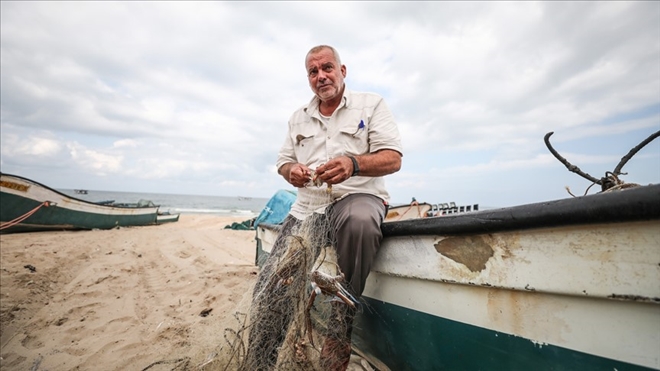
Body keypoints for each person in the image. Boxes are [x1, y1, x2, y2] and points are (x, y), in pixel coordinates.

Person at [246, 45, 402, 371]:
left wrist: (353, 164)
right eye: (313, 72)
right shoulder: (297, 118)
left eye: (327, 68)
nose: (321, 76)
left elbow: (393, 158)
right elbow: (283, 164)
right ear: (308, 78)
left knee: (360, 223)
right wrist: (293, 172)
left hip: (357, 197)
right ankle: (260, 363)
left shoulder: (372, 104)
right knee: (273, 283)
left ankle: (339, 326)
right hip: (307, 210)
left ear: (342, 71)